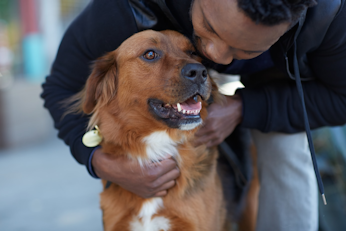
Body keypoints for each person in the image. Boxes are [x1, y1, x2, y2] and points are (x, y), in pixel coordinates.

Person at [41, 0, 346, 230]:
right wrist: (98, 162)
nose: (212, 57)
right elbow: (60, 89)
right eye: (209, 28)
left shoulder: (330, 18)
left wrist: (244, 107)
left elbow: (342, 99)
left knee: (286, 149)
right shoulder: (121, 10)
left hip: (276, 75)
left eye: (243, 49)